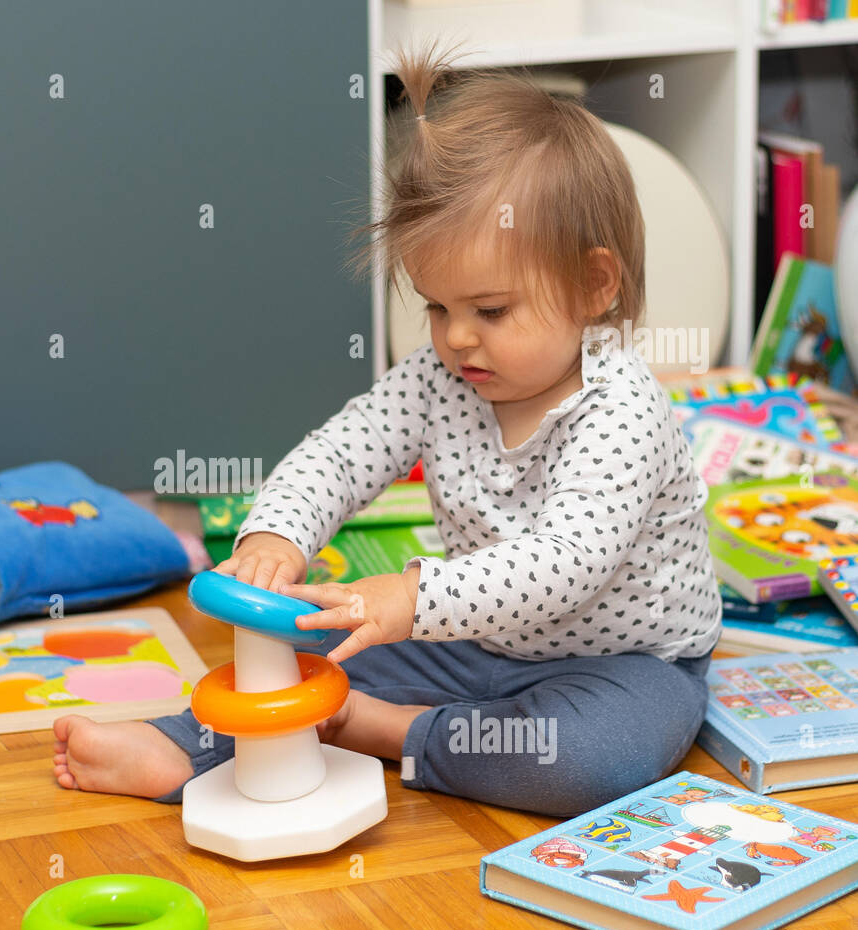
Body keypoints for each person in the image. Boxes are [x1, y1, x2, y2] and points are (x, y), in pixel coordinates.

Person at [52, 44, 721, 817]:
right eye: (438, 308)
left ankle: (388, 732)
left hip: (625, 666)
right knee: (306, 644)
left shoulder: (622, 409)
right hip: (474, 644)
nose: (458, 339)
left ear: (594, 285)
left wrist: (407, 597)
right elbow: (339, 454)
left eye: (490, 311)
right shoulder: (440, 379)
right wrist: (276, 536)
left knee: (592, 761)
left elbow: (566, 563)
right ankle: (185, 743)